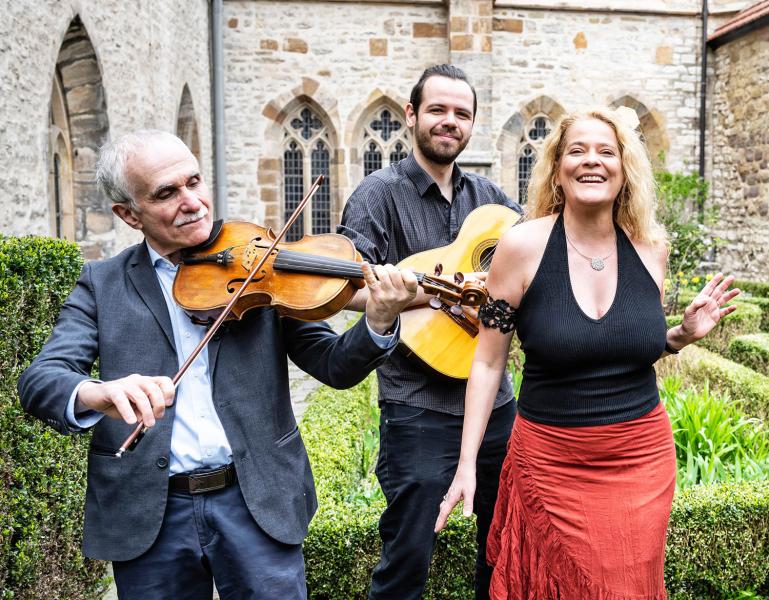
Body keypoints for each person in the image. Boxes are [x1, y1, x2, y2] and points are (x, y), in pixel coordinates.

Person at [18, 129, 418, 600]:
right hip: (150, 512)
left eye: (194, 182)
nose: (192, 203)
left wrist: (379, 319)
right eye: (166, 193)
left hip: (255, 501)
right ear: (129, 214)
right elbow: (41, 380)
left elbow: (335, 366)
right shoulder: (102, 283)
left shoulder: (260, 264)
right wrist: (97, 392)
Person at [435, 107, 740, 599]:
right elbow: (489, 361)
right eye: (577, 151)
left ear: (625, 169)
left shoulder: (652, 249)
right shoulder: (521, 247)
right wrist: (466, 462)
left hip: (641, 460)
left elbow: (621, 347)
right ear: (557, 170)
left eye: (606, 151)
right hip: (550, 460)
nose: (592, 161)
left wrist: (680, 335)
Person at [338, 64, 523, 600]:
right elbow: (347, 288)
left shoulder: (491, 200)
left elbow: (535, 265)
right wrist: (429, 292)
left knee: (503, 546)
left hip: (495, 403)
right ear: (411, 115)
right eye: (437, 110)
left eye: (461, 113)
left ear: (472, 124)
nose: (449, 121)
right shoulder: (377, 195)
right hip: (417, 402)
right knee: (408, 555)